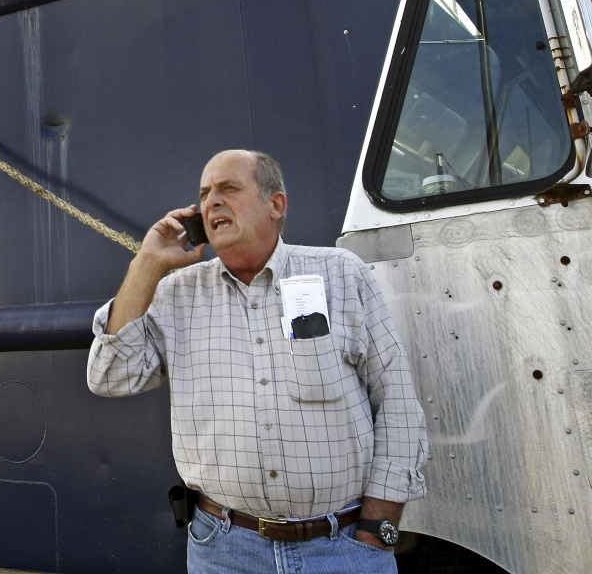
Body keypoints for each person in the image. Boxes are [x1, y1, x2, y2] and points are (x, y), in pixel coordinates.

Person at [87, 150, 427, 573]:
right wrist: (147, 265)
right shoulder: (176, 295)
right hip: (225, 551)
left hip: (342, 549)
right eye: (204, 194)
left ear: (275, 204)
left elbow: (396, 400)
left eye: (228, 189)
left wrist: (379, 526)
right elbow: (109, 375)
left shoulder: (341, 274)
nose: (212, 202)